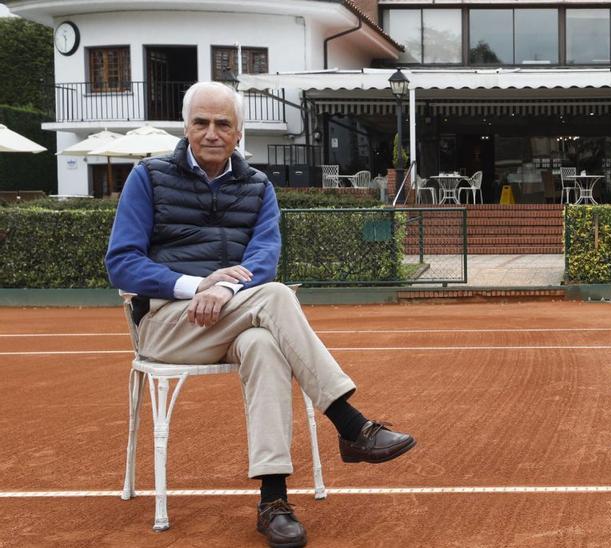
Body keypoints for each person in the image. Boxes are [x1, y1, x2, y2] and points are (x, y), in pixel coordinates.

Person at [105, 81, 414, 548]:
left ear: (239, 131)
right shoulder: (147, 177)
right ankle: (350, 425)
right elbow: (121, 261)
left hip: (232, 313)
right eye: (201, 122)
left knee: (266, 343)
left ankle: (273, 502)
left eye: (223, 123)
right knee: (274, 297)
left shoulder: (257, 185)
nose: (212, 132)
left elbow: (264, 258)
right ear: (186, 127)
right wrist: (194, 285)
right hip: (167, 325)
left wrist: (224, 287)